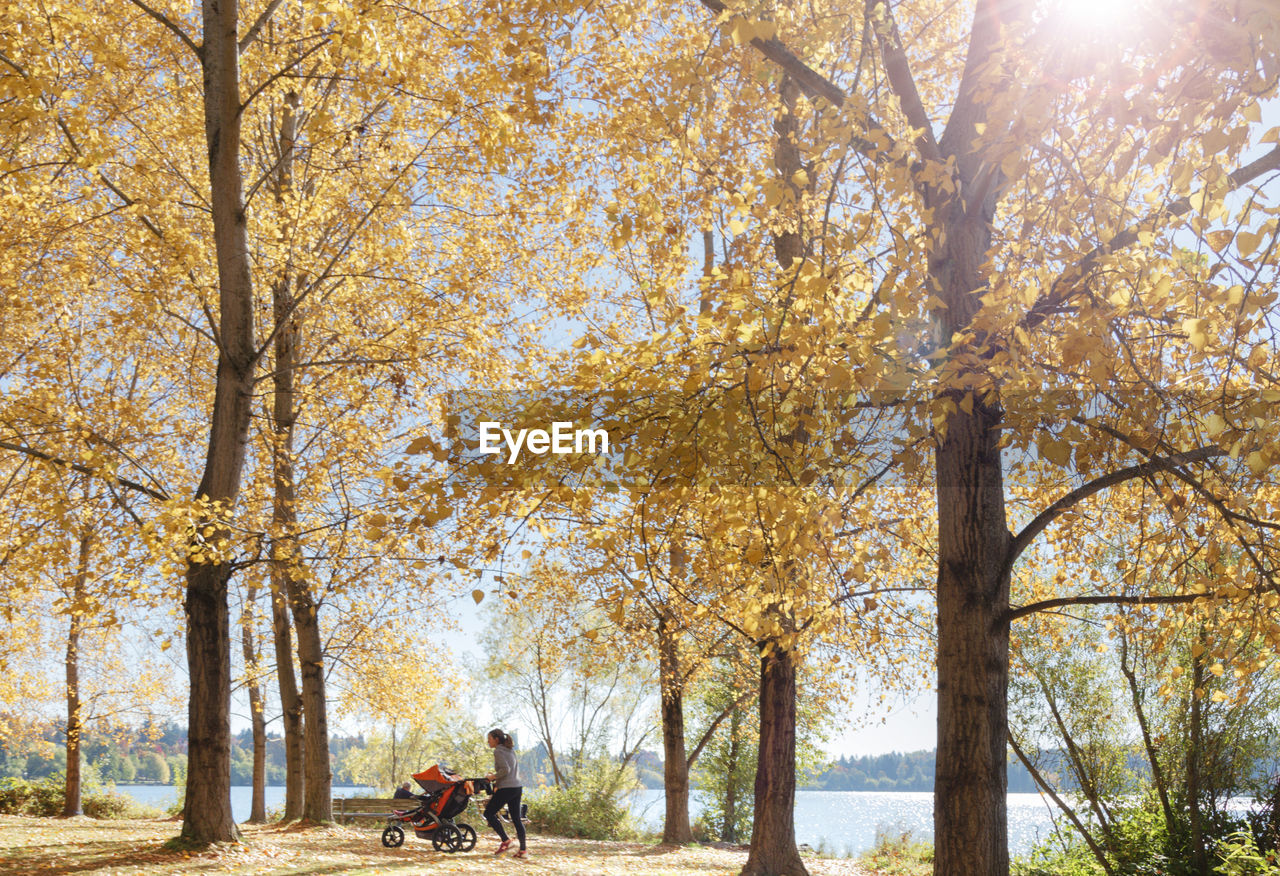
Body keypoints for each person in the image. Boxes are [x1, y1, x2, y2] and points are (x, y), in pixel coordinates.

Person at [484, 728, 527, 858]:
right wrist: (497, 782)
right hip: (517, 787)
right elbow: (510, 770)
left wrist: (493, 777)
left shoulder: (498, 751)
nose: (488, 741)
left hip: (507, 788)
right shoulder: (510, 750)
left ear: (496, 739)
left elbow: (505, 770)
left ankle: (506, 840)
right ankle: (523, 851)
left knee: (488, 813)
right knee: (516, 819)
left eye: (489, 739)